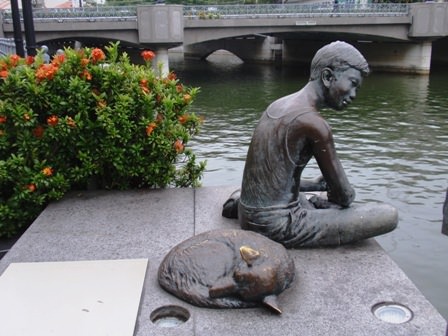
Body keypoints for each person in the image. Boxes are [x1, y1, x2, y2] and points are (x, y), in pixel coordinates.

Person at [222, 41, 398, 248]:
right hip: (278, 226)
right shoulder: (315, 124)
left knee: (312, 196)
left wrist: (315, 184)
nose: (353, 95)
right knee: (388, 215)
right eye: (352, 83)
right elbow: (344, 196)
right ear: (327, 77)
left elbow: (274, 177)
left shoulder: (278, 105)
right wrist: (335, 197)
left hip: (248, 213)